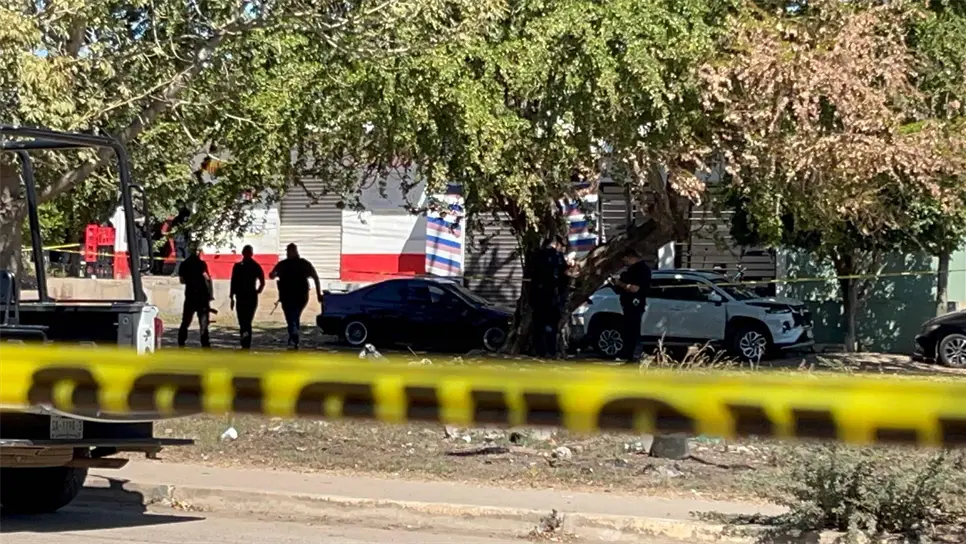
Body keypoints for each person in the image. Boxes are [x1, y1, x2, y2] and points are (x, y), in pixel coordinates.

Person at [269, 243, 322, 350]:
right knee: (293, 317)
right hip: (289, 297)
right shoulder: (284, 264)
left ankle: (293, 337)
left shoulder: (302, 264)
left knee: (292, 317)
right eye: (287, 251)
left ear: (294, 251)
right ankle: (294, 337)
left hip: (298, 297)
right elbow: (271, 275)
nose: (288, 253)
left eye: (289, 251)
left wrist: (318, 294)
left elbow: (315, 277)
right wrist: (273, 274)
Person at [529, 235, 570, 358]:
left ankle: (539, 350)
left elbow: (533, 274)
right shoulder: (558, 258)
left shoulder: (539, 255)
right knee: (551, 326)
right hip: (552, 297)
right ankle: (550, 350)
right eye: (563, 246)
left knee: (539, 325)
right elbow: (564, 278)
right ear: (557, 244)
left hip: (538, 296)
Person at [608, 248, 652, 362]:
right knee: (627, 330)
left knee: (633, 331)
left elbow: (634, 288)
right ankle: (627, 354)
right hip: (627, 304)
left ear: (633, 257)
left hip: (635, 304)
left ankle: (633, 356)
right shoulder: (630, 270)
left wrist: (620, 283)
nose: (624, 261)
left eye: (626, 258)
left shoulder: (641, 270)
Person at [177, 242, 212, 348]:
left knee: (186, 321)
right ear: (198, 252)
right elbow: (207, 278)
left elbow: (182, 281)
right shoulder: (202, 264)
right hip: (201, 297)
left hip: (190, 296)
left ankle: (181, 341)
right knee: (203, 322)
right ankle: (205, 343)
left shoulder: (184, 264)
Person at [230, 245, 266, 350]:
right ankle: (246, 342)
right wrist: (257, 291)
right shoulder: (255, 266)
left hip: (243, 297)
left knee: (243, 321)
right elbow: (262, 282)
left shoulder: (238, 266)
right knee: (246, 321)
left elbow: (233, 283)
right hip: (249, 297)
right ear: (251, 253)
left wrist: (231, 297)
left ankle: (245, 342)